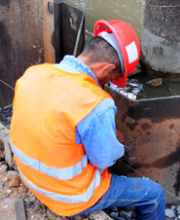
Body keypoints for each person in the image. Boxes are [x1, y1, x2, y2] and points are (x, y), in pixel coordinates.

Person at [9, 20, 166, 220]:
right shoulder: (95, 104)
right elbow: (104, 160)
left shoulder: (34, 74)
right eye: (111, 78)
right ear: (107, 68)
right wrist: (115, 141)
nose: (107, 83)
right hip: (66, 196)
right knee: (153, 194)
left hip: (29, 176)